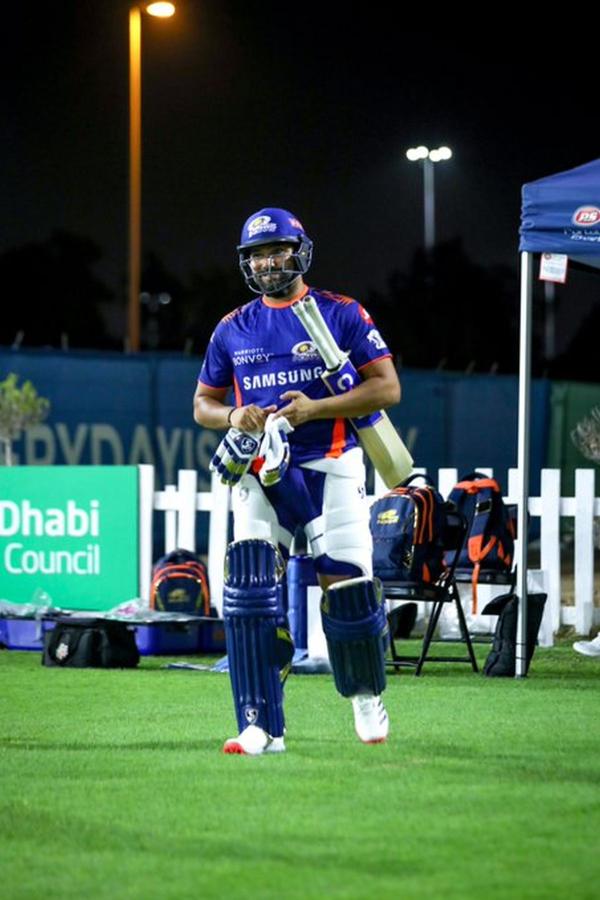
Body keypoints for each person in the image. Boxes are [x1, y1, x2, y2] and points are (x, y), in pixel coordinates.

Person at [193, 207, 401, 755]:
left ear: (299, 251)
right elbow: (203, 404)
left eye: (276, 251)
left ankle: (363, 694)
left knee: (348, 584)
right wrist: (233, 417)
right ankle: (260, 722)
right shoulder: (232, 327)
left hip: (331, 463)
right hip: (261, 468)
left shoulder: (341, 313)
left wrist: (317, 409)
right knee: (250, 591)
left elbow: (386, 389)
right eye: (257, 256)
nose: (267, 263)